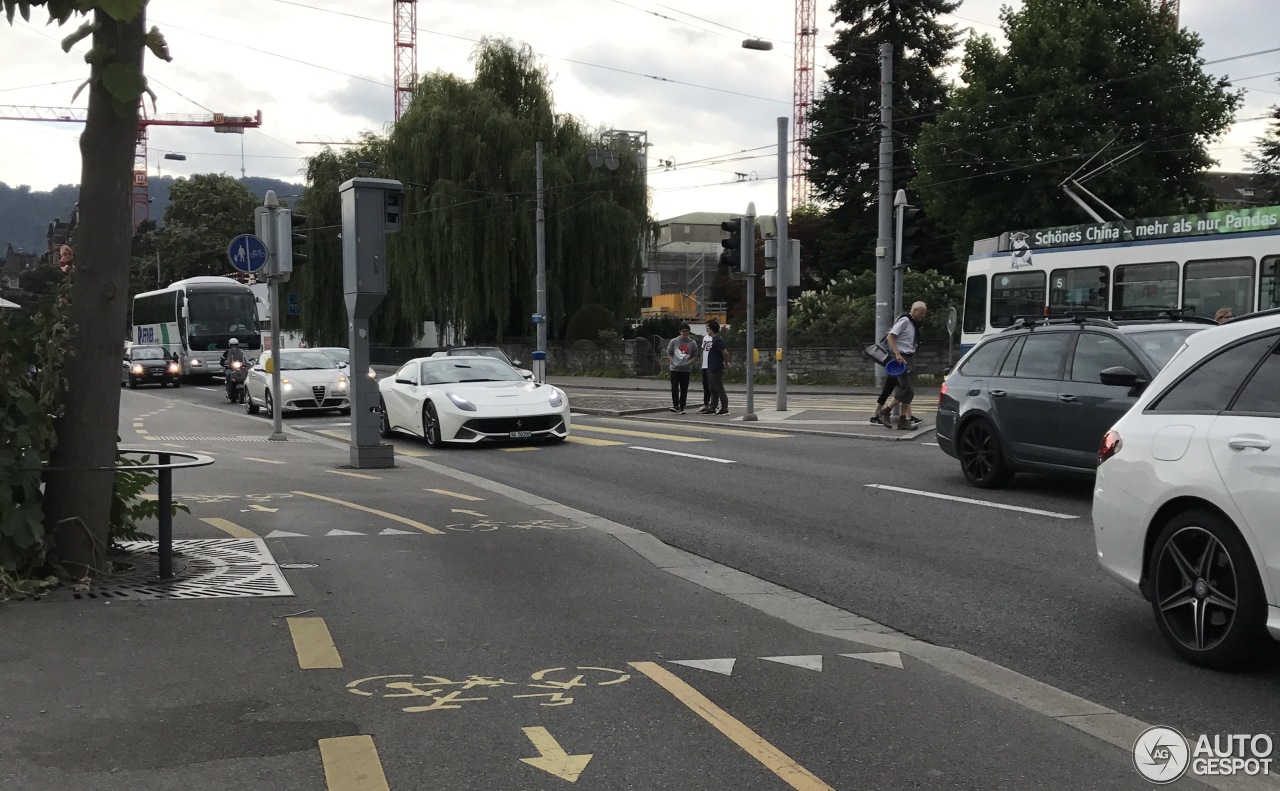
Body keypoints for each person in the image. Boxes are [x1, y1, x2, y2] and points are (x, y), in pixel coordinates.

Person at [882, 301, 927, 430]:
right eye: (921, 312)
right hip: (902, 357)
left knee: (910, 391)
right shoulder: (905, 321)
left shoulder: (914, 324)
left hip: (909, 356)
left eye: (925, 313)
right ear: (914, 310)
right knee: (906, 389)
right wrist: (897, 354)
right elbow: (890, 336)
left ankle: (903, 421)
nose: (923, 315)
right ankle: (886, 411)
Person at [698, 319, 730, 415]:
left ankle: (724, 407)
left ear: (711, 329)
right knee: (712, 388)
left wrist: (726, 363)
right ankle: (713, 407)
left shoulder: (717, 340)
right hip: (710, 366)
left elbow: (725, 353)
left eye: (708, 328)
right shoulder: (713, 339)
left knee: (719, 388)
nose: (707, 330)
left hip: (716, 367)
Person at [666, 324, 699, 414]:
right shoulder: (674, 341)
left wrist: (689, 362)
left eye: (687, 331)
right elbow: (669, 353)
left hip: (686, 369)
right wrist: (673, 361)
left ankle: (682, 406)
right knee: (674, 387)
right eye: (683, 331)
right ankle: (675, 405)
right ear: (680, 332)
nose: (685, 333)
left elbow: (695, 355)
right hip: (674, 369)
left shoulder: (692, 343)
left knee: (684, 389)